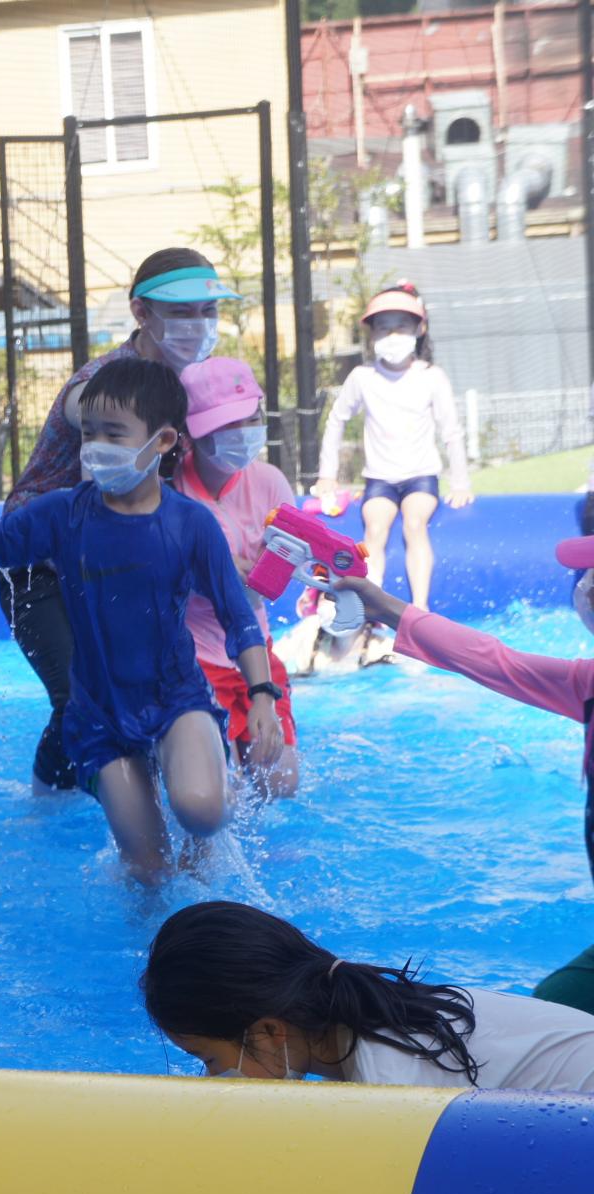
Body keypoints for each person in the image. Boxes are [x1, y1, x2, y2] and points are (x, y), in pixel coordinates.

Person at [0, 359, 283, 884]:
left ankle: (211, 799)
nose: (95, 446)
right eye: (89, 433)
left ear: (163, 440)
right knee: (148, 872)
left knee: (202, 811)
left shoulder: (189, 524)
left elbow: (237, 615)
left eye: (113, 433)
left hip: (176, 699)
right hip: (100, 716)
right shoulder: (64, 513)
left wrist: (262, 695)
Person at [0, 249, 241, 792]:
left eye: (208, 311)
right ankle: (48, 803)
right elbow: (90, 418)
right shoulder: (102, 382)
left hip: (120, 559)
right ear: (140, 313)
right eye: (181, 312)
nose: (199, 325)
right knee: (78, 696)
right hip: (38, 564)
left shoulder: (194, 387)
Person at [332, 533, 594, 1010]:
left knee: (557, 1010)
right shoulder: (587, 683)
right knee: (555, 1008)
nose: (584, 591)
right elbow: (493, 660)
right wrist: (384, 606)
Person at [143, 901, 594, 1092]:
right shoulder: (381, 1016)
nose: (213, 1079)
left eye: (209, 1059)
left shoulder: (391, 1080)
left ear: (269, 1032)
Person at [171, 357, 300, 797]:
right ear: (191, 433)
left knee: (280, 783)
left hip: (254, 652)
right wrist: (215, 572)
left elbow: (280, 574)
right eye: (228, 424)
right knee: (220, 791)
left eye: (250, 419)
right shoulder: (172, 492)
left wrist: (254, 576)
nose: (242, 433)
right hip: (196, 657)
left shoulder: (269, 482)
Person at [314, 281, 474, 638]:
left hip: (420, 476)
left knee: (414, 524)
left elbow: (451, 431)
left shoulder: (430, 377)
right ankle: (372, 608)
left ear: (419, 329)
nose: (392, 336)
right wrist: (327, 475)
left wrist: (460, 482)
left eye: (401, 327)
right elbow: (337, 419)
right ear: (372, 334)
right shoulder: (363, 377)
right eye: (383, 328)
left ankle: (419, 609)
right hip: (380, 479)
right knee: (375, 529)